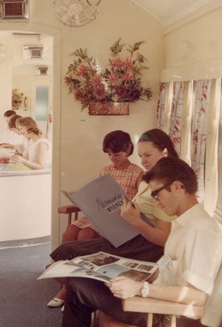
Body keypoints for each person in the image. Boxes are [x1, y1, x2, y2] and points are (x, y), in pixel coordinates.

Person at [34, 157, 222, 327]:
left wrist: (140, 288)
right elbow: (166, 270)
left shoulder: (201, 230)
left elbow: (198, 297)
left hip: (167, 315)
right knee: (81, 278)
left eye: (156, 194)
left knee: (77, 285)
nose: (155, 202)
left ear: (178, 187)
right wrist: (123, 270)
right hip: (155, 299)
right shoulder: (185, 224)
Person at [46, 129, 178, 308]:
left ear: (165, 151)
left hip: (138, 240)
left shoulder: (164, 183)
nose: (144, 161)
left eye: (148, 155)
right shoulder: (149, 178)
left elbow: (163, 237)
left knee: (72, 248)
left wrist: (134, 220)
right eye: (141, 156)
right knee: (66, 245)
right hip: (126, 228)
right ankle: (67, 285)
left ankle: (68, 287)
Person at [61, 130, 144, 243]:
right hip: (102, 217)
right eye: (109, 154)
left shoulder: (137, 173)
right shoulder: (105, 171)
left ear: (128, 151)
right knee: (69, 232)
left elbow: (141, 202)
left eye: (116, 154)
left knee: (85, 235)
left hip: (121, 219)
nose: (112, 158)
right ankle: (65, 261)